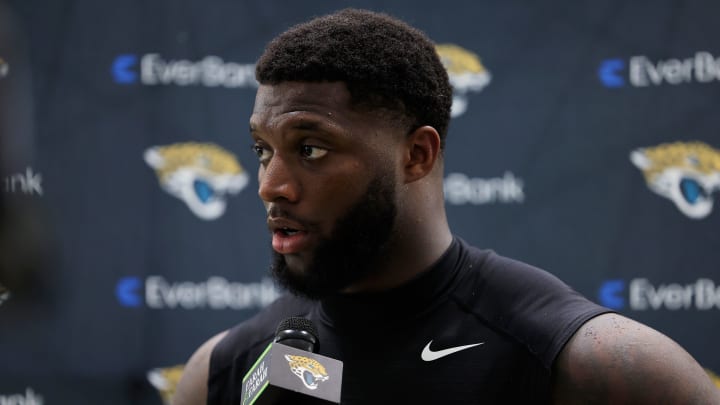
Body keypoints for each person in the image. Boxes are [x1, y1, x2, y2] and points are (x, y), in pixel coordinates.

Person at [172, 8, 720, 405]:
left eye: (310, 148)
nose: (272, 185)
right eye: (262, 151)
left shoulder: (597, 365)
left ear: (416, 154)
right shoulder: (223, 370)